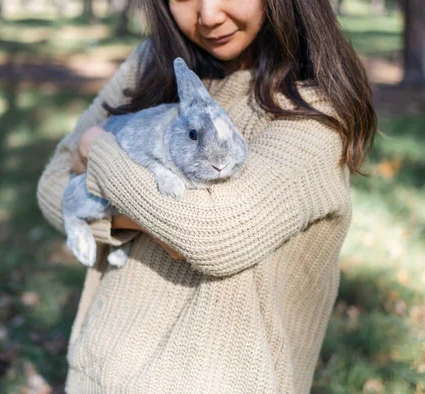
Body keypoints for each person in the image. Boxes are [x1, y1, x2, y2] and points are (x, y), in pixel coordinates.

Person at [37, 0, 376, 392]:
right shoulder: (152, 64)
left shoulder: (313, 108)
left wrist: (97, 149)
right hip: (98, 372)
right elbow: (51, 187)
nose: (210, 14)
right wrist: (147, 223)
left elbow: (212, 234)